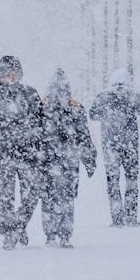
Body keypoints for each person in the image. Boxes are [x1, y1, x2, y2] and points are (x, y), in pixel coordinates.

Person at [0, 56, 43, 250]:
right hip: (3, 154)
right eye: (6, 72)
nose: (10, 75)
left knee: (32, 193)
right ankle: (8, 233)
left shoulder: (31, 94)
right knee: (4, 198)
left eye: (13, 71)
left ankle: (19, 224)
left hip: (28, 154)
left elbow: (41, 121)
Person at [40, 69, 97, 248]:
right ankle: (65, 235)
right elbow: (84, 136)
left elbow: (35, 136)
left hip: (47, 160)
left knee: (48, 198)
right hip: (69, 160)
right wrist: (89, 160)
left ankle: (50, 235)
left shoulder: (42, 107)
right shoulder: (76, 108)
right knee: (67, 198)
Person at [89, 68, 140, 227]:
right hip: (130, 145)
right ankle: (131, 217)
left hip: (110, 145)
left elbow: (93, 114)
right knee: (131, 180)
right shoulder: (135, 95)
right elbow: (139, 110)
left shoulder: (103, 95)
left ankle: (117, 217)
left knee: (112, 181)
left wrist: (108, 116)